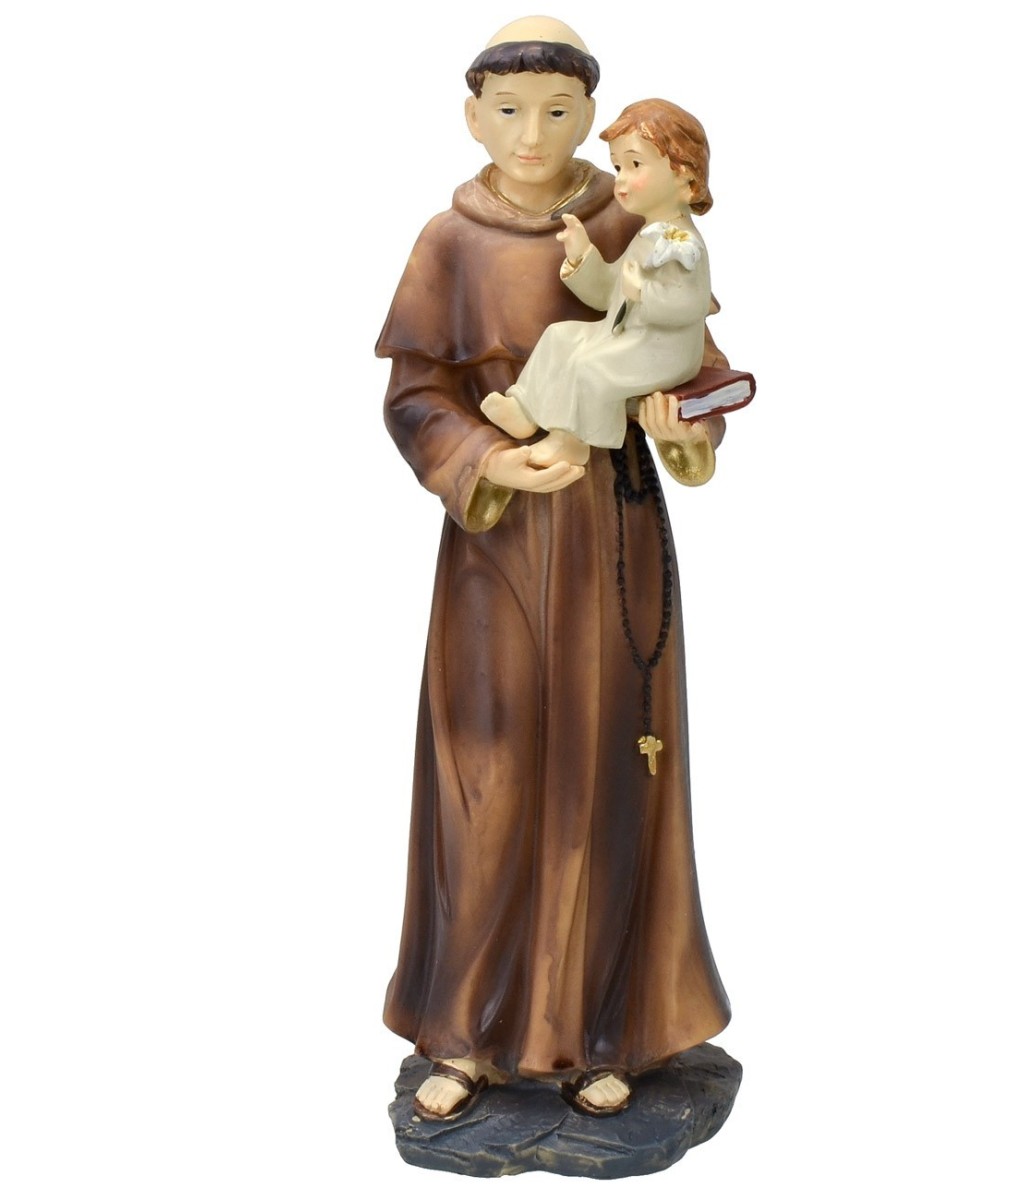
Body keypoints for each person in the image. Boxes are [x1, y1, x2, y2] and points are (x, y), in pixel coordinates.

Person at [377, 16, 731, 1121]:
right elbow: (415, 396)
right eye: (509, 110)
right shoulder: (448, 242)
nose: (533, 134)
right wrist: (488, 460)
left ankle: (606, 1030)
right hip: (493, 550)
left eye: (559, 112)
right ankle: (468, 1031)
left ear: (592, 118)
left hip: (612, 538)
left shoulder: (636, 213)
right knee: (483, 779)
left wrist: (686, 430)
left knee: (605, 773)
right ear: (473, 116)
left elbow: (701, 363)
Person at [481, 99, 715, 468]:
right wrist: (581, 255)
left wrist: (644, 294)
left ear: (685, 179)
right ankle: (525, 408)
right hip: (627, 337)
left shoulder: (682, 245)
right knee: (560, 336)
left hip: (666, 352)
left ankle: (572, 443)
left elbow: (690, 305)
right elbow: (608, 292)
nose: (620, 179)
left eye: (635, 165)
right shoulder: (647, 235)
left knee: (591, 368)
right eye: (618, 166)